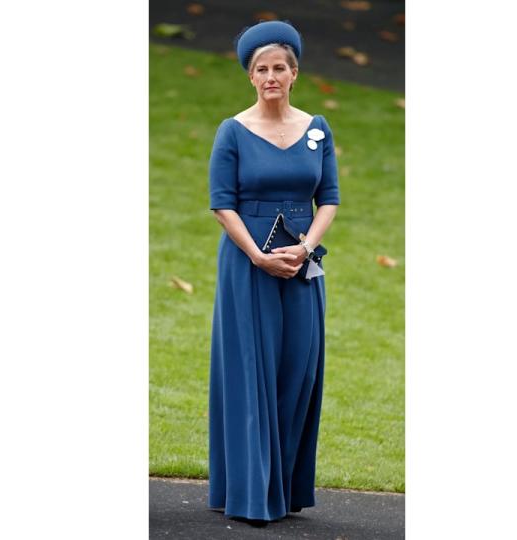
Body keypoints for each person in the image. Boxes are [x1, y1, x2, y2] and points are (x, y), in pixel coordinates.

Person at [206, 20, 340, 524]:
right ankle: (248, 493)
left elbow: (328, 198)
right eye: (261, 69)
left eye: (279, 68)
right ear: (250, 76)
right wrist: (259, 257)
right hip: (248, 265)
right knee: (250, 369)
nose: (270, 76)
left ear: (295, 72)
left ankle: (283, 490)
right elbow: (222, 205)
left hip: (303, 263)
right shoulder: (233, 130)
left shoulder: (317, 129)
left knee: (297, 369)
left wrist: (306, 248)